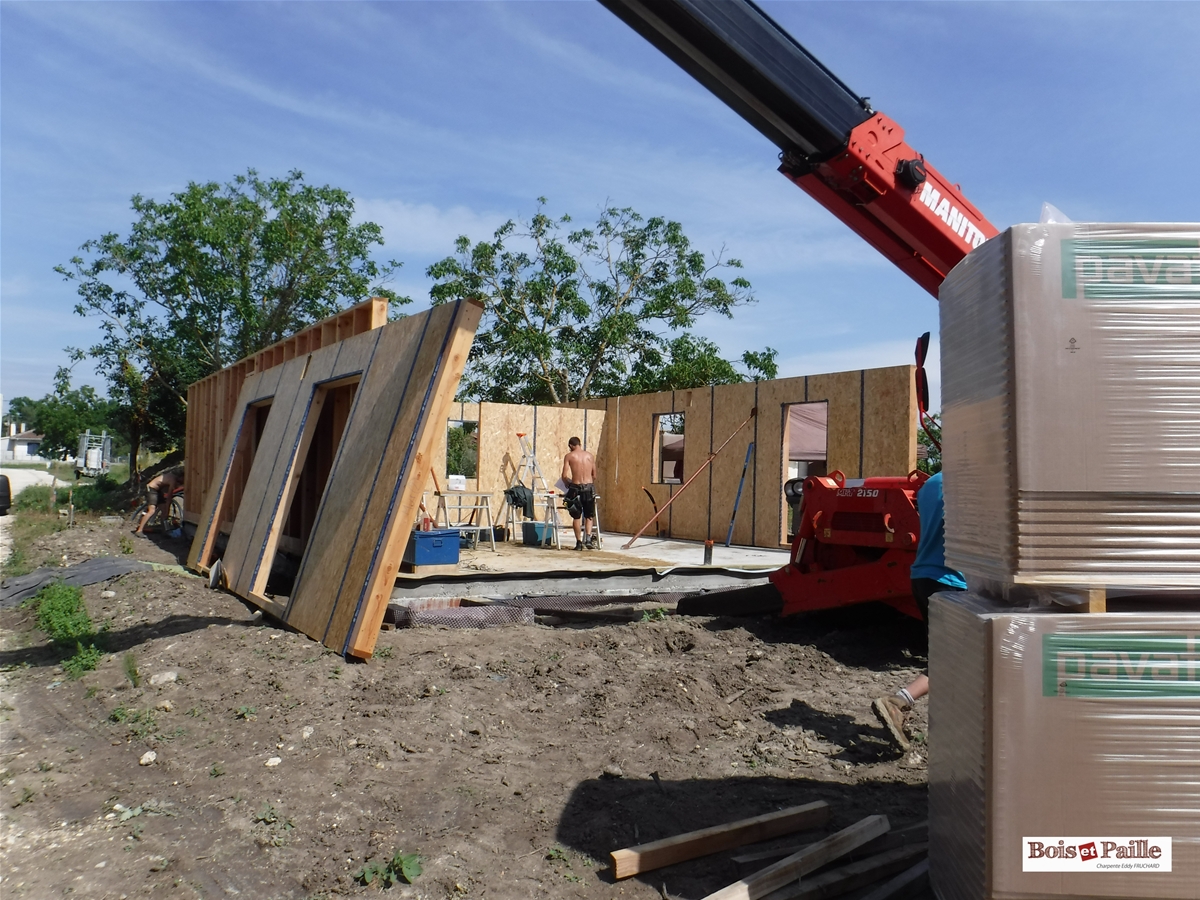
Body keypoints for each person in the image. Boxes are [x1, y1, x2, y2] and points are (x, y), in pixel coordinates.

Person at [872, 470, 966, 750]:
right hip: (952, 581)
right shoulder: (971, 480)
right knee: (957, 658)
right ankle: (898, 701)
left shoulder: (931, 484)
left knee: (949, 656)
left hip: (923, 577)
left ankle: (952, 723)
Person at [561, 437, 597, 551]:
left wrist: (567, 483)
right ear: (579, 444)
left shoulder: (569, 456)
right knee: (589, 516)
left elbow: (564, 476)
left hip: (575, 488)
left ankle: (579, 542)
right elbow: (594, 475)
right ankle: (588, 539)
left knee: (576, 516)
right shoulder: (590, 456)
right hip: (588, 488)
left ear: (571, 445)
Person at [134, 467, 184, 535]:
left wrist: (166, 511)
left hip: (158, 491)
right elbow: (169, 497)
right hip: (151, 489)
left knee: (163, 510)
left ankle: (165, 530)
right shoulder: (172, 480)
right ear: (180, 477)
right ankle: (139, 531)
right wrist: (167, 508)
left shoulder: (172, 477)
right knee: (152, 511)